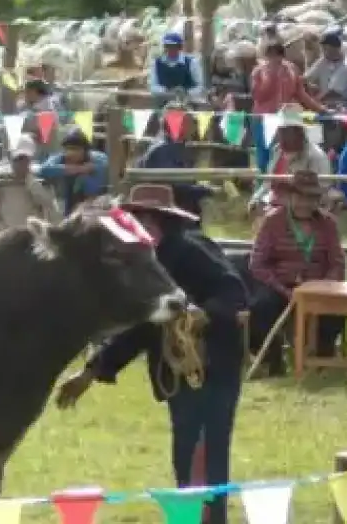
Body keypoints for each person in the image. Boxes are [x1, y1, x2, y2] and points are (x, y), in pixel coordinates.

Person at [56, 186, 248, 524]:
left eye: (142, 219)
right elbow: (139, 328)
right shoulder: (144, 265)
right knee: (186, 445)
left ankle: (210, 519)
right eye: (132, 220)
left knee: (208, 446)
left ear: (159, 221)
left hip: (214, 362)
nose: (136, 225)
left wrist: (206, 313)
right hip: (176, 368)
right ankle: (192, 516)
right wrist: (92, 370)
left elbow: (234, 289)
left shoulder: (191, 249)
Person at [248, 171, 346, 376]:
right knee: (261, 307)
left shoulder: (328, 224)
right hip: (280, 284)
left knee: (337, 310)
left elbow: (337, 262)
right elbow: (257, 264)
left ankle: (320, 357)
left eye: (311, 198)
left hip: (318, 286)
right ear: (290, 197)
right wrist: (283, 290)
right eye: (301, 197)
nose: (305, 203)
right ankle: (273, 360)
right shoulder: (272, 221)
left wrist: (323, 286)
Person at [249, 105, 332, 215]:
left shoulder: (316, 156)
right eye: (281, 131)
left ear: (299, 132)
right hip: (273, 203)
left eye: (288, 131)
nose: (283, 136)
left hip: (303, 208)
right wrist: (255, 199)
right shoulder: (277, 151)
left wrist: (295, 189)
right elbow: (268, 182)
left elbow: (322, 189)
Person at [136, 110, 214, 219]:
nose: (193, 127)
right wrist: (205, 190)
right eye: (189, 123)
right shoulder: (162, 150)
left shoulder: (176, 147)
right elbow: (173, 185)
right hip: (165, 214)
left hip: (177, 210)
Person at [0, 134, 60, 234]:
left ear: (30, 158)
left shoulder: (38, 175)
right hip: (6, 234)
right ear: (10, 156)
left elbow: (49, 205)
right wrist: (2, 232)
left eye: (25, 158)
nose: (21, 163)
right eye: (18, 158)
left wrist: (31, 182)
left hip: (31, 234)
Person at [38, 128, 108, 215]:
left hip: (94, 207)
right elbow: (44, 170)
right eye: (68, 149)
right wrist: (77, 169)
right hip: (66, 207)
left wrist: (92, 169)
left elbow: (108, 168)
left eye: (75, 149)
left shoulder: (98, 159)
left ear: (85, 150)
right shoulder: (59, 158)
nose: (71, 152)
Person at [251, 41, 324, 115]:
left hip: (286, 115)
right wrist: (270, 77)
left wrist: (320, 109)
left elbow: (302, 95)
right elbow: (257, 96)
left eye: (277, 54)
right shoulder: (259, 72)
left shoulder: (292, 70)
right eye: (271, 55)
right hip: (264, 115)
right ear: (266, 56)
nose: (274, 58)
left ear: (283, 56)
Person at [148, 32, 204, 108]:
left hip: (188, 104)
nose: (170, 49)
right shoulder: (156, 63)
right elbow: (153, 86)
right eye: (167, 46)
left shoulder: (191, 62)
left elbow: (200, 86)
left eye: (173, 46)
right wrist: (167, 92)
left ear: (179, 47)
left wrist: (186, 92)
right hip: (163, 103)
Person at [304, 30, 347, 103]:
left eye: (325, 49)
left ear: (335, 48)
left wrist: (315, 101)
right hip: (323, 102)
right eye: (322, 49)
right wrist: (309, 87)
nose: (323, 51)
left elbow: (334, 92)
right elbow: (307, 78)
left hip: (343, 103)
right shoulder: (323, 61)